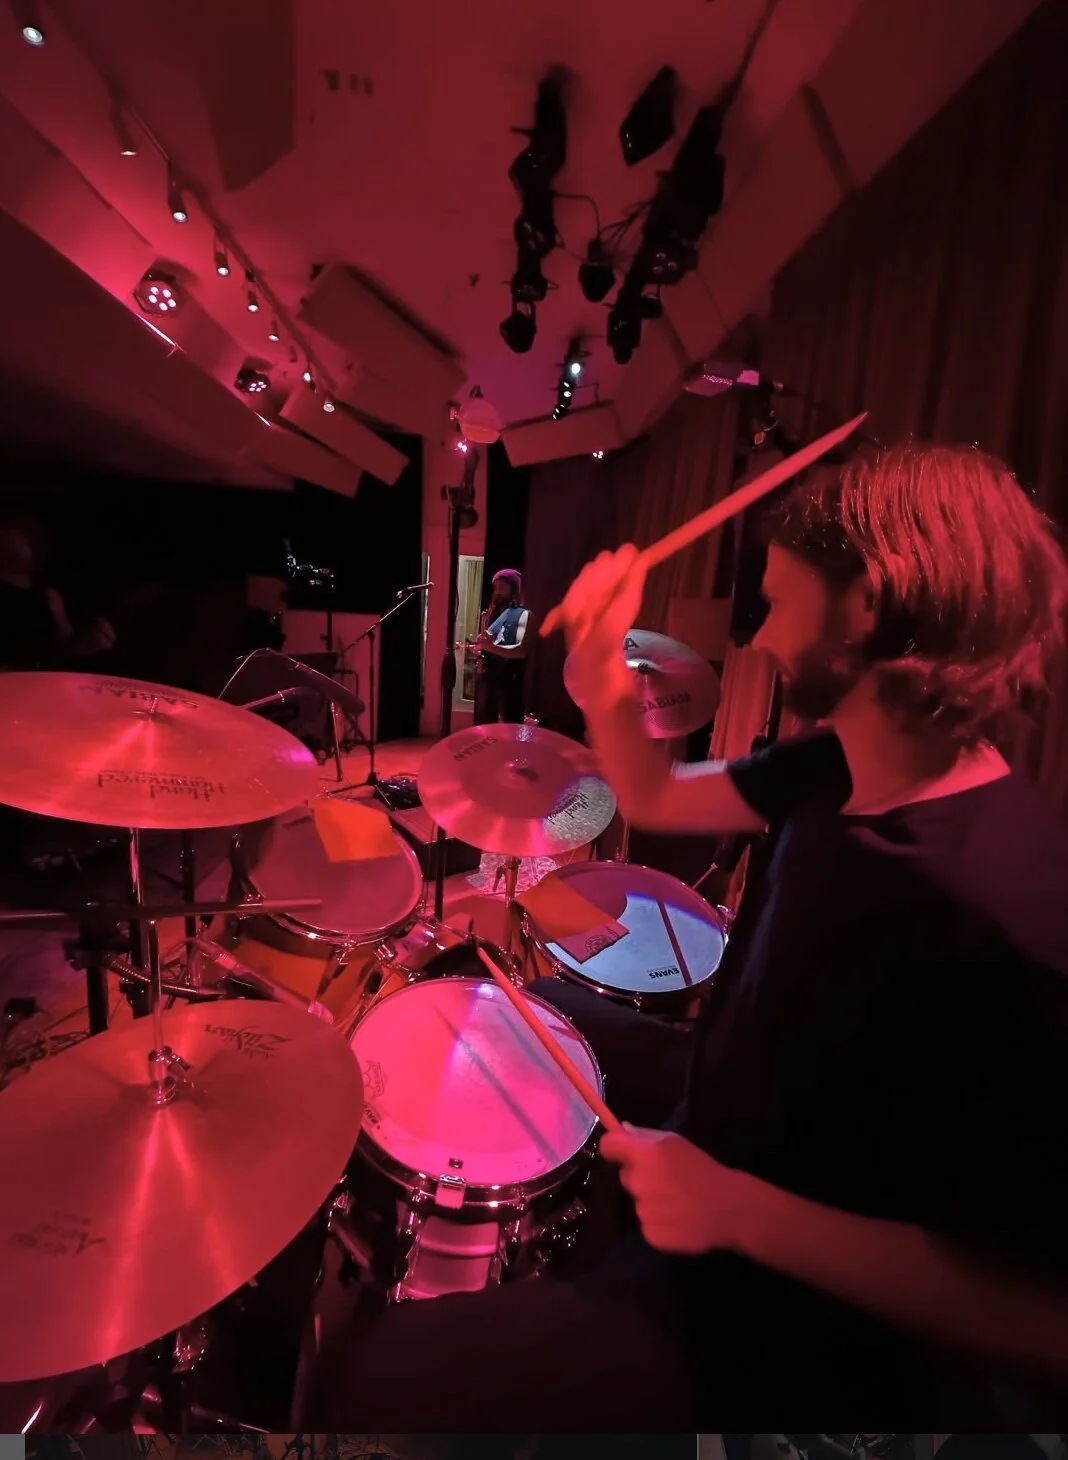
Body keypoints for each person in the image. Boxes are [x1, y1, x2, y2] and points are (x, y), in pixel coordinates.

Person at [300, 442, 1068, 1426]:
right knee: (510, 995)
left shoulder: (1011, 908)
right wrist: (597, 664)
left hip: (798, 1314)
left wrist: (734, 1209)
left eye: (781, 605)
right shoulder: (836, 764)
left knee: (390, 1381)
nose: (761, 640)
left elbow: (1042, 1315)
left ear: (867, 605)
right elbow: (655, 789)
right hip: (725, 1105)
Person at [0, 520, 115, 670]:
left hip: (34, 680)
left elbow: (64, 645)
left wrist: (86, 643)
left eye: (24, 539)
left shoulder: (48, 596)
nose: (12, 542)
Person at [472, 567, 531, 723]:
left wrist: (489, 647)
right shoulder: (493, 615)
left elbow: (521, 650)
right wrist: (479, 648)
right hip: (490, 679)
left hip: (509, 681)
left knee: (509, 728)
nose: (497, 592)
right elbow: (488, 644)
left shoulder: (523, 614)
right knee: (485, 726)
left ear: (514, 589)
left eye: (502, 587)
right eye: (496, 587)